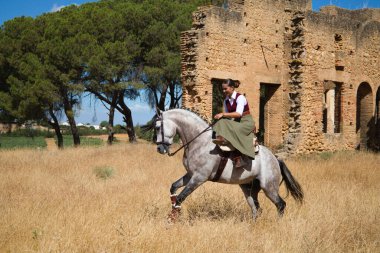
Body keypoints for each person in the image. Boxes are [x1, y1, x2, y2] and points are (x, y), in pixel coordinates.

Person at [213, 79, 256, 168]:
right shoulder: (226, 101)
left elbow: (238, 114)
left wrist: (223, 114)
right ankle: (222, 139)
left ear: (232, 88)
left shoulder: (240, 97)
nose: (224, 91)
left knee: (227, 124)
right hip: (235, 122)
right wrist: (220, 117)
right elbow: (229, 117)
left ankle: (239, 157)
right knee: (222, 121)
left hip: (246, 122)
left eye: (225, 89)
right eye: (223, 89)